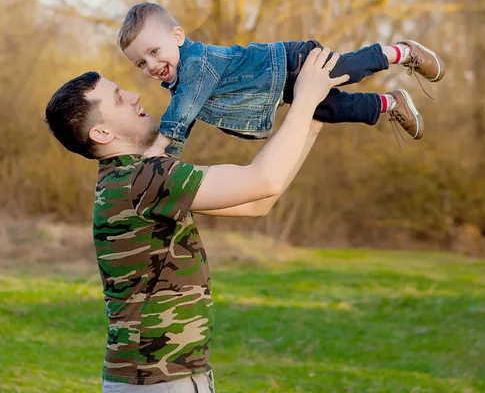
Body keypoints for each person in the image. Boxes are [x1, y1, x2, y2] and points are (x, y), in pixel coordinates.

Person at [45, 47, 347, 392]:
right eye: (117, 98)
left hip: (160, 377)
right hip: (159, 381)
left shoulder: (128, 179)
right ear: (101, 133)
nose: (133, 94)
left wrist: (312, 120)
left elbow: (256, 203)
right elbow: (262, 180)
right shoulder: (143, 178)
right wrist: (305, 98)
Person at [118, 2, 444, 158]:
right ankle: (390, 103)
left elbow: (182, 111)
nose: (151, 65)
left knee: (344, 70)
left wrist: (160, 146)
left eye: (155, 51)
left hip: (288, 64)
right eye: (140, 63)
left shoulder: (197, 64)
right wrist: (165, 158)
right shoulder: (181, 86)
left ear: (178, 35)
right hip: (283, 90)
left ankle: (401, 52)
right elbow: (183, 120)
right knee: (329, 110)